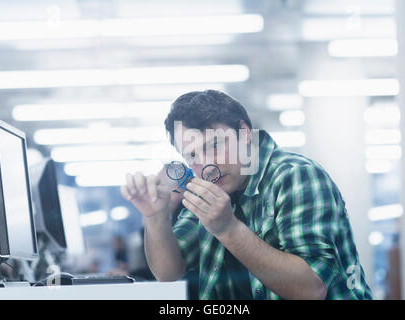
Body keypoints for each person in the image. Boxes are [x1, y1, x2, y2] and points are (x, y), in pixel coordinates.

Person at [121, 90, 372, 300]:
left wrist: (227, 228)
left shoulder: (295, 176)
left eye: (216, 145)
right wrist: (155, 217)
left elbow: (311, 288)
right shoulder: (208, 186)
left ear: (244, 133)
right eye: (193, 155)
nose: (209, 165)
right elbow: (169, 273)